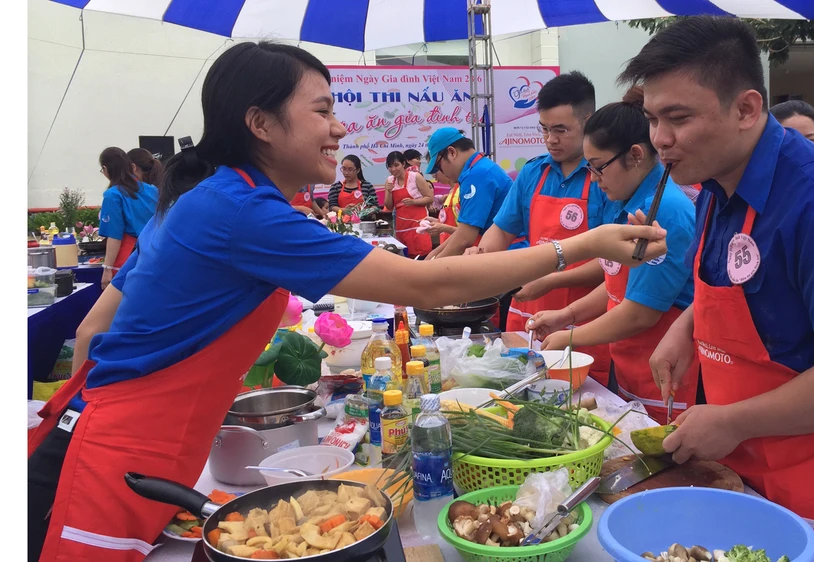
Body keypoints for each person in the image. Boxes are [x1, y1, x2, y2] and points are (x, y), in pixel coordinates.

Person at [27, 41, 667, 562]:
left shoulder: (215, 197)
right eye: (323, 110)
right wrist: (578, 246)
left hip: (122, 435)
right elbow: (427, 287)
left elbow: (96, 323)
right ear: (259, 123)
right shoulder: (239, 210)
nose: (339, 127)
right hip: (121, 454)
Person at [620, 16, 814, 562]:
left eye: (678, 118)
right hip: (757, 448)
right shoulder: (715, 179)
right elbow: (734, 279)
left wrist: (732, 421)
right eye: (651, 118)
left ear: (746, 109)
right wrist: (686, 327)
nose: (659, 139)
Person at [527, 100, 698, 421]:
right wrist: (567, 315)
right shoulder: (625, 200)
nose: (592, 179)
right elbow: (616, 281)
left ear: (635, 155)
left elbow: (640, 313)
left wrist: (570, 337)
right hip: (631, 364)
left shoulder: (663, 210)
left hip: (664, 369)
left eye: (598, 166)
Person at [465, 71, 614, 386]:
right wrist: (480, 254)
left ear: (588, 121)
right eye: (544, 129)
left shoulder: (605, 179)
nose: (551, 139)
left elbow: (611, 265)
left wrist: (551, 280)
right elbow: (501, 231)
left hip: (582, 317)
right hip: (528, 309)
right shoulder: (534, 172)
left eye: (561, 129)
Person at [424, 128, 526, 259]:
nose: (441, 172)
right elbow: (463, 231)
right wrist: (433, 255)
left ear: (451, 152)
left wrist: (433, 267)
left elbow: (465, 239)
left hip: (508, 253)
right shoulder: (479, 169)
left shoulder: (477, 176)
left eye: (438, 166)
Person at [97, 147, 158, 290]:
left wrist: (107, 269)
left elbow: (114, 236)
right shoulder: (152, 190)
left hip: (130, 258)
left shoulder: (112, 195)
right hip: (155, 254)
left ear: (105, 169)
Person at [383, 150, 434, 257]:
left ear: (403, 164)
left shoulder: (415, 177)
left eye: (396, 165)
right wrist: (388, 191)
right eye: (390, 166)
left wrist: (413, 202)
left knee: (421, 257)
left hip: (419, 227)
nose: (393, 169)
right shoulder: (389, 180)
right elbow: (389, 206)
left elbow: (429, 198)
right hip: (402, 228)